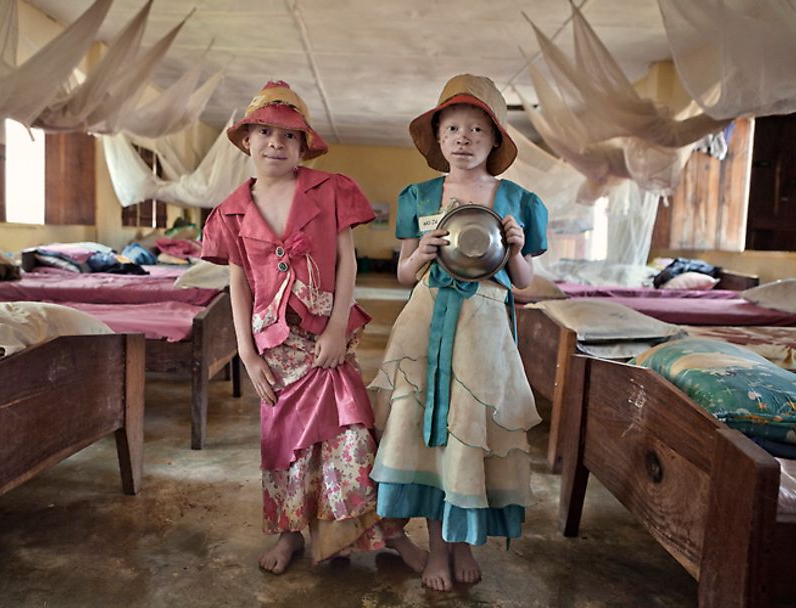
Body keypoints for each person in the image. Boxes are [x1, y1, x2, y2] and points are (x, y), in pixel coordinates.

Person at [201, 80, 427, 575]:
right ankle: (289, 535)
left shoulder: (332, 190)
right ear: (247, 141)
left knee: (353, 439)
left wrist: (336, 327)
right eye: (263, 132)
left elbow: (347, 263)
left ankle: (390, 533)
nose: (275, 144)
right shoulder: (232, 211)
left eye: (288, 136)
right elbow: (238, 283)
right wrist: (247, 352)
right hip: (273, 349)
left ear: (304, 146)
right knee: (284, 444)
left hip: (328, 338)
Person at [368, 74, 547, 591]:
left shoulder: (516, 199)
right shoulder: (419, 195)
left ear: (495, 140)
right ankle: (437, 551)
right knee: (424, 431)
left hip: (483, 329)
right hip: (425, 324)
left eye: (475, 129)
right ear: (438, 138)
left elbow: (525, 282)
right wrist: (421, 253)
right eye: (452, 129)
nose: (463, 138)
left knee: (469, 431)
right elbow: (404, 274)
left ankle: (463, 542)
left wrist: (514, 250)